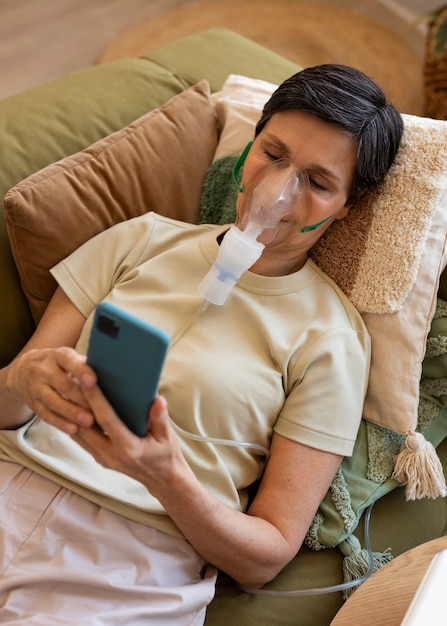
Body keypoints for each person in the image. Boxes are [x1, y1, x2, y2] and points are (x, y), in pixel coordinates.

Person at [0, 64, 403, 625]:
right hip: (12, 480)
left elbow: (267, 554)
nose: (279, 191)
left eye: (317, 182)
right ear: (249, 149)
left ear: (348, 206)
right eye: (274, 154)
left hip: (130, 560)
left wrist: (168, 478)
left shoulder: (332, 340)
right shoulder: (142, 240)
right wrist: (23, 381)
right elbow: (7, 405)